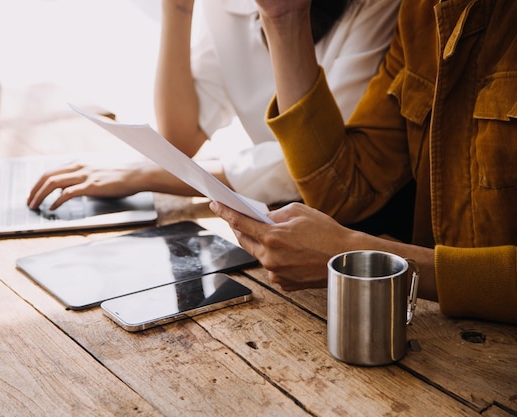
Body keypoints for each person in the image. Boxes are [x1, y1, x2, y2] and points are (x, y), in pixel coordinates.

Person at [209, 0, 517, 324]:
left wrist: (363, 254)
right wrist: (284, 16)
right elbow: (345, 189)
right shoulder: (420, 13)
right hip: (445, 340)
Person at [27, 0, 402, 214]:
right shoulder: (229, 5)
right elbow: (181, 135)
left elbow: (327, 167)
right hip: (273, 218)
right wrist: (177, 8)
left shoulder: (379, 7)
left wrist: (150, 174)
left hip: (363, 225)